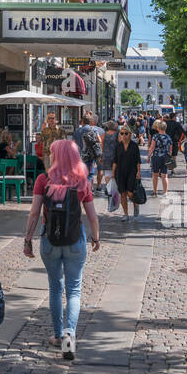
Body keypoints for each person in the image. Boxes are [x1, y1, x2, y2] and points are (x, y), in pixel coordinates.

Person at [23, 139, 100, 361]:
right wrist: (96, 237)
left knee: (55, 288)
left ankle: (57, 335)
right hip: (75, 241)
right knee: (74, 289)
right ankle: (70, 333)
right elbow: (92, 216)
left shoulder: (43, 180)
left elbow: (34, 213)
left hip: (50, 241)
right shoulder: (81, 181)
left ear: (55, 156)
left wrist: (27, 239)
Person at [112, 125, 142, 223]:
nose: (124, 135)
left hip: (132, 172)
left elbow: (138, 160)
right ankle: (126, 214)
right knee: (123, 193)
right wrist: (113, 173)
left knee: (130, 192)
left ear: (130, 134)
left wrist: (138, 172)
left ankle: (135, 204)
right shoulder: (118, 146)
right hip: (120, 172)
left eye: (126, 133)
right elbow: (115, 160)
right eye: (122, 133)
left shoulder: (134, 146)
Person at [148, 119, 173, 195]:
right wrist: (170, 158)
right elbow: (170, 150)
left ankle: (155, 191)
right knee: (164, 176)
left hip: (156, 157)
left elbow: (152, 147)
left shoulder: (155, 136)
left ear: (158, 128)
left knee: (155, 175)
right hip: (165, 158)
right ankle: (165, 192)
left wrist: (148, 156)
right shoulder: (168, 137)